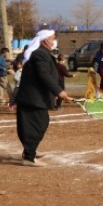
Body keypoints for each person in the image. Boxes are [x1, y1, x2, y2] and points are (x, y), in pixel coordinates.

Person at [16, 29, 71, 167]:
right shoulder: (40, 54)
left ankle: (29, 152)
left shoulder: (42, 53)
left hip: (34, 97)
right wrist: (59, 91)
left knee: (31, 125)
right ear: (45, 40)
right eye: (52, 38)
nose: (54, 40)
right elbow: (44, 75)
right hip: (33, 97)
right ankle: (29, 157)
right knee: (37, 124)